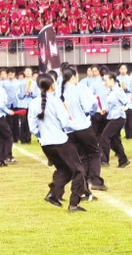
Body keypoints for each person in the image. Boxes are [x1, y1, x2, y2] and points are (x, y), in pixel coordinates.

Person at [28, 73, 88, 212]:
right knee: (79, 171)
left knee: (64, 170)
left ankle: (53, 194)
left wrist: (43, 135)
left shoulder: (33, 103)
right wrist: (79, 125)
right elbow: (66, 123)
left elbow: (32, 128)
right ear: (52, 85)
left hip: (46, 144)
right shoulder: (55, 101)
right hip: (60, 142)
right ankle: (74, 204)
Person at [58, 68, 104, 193]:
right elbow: (89, 107)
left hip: (68, 130)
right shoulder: (80, 88)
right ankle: (95, 180)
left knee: (82, 157)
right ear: (73, 77)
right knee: (94, 153)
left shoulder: (60, 91)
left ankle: (84, 188)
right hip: (82, 126)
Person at [100, 73, 131, 168]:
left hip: (118, 117)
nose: (104, 82)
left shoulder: (118, 91)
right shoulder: (111, 91)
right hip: (113, 117)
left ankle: (104, 160)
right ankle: (123, 160)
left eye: (106, 80)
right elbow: (113, 104)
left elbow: (128, 102)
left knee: (104, 137)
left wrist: (126, 107)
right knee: (114, 141)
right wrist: (105, 110)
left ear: (112, 80)